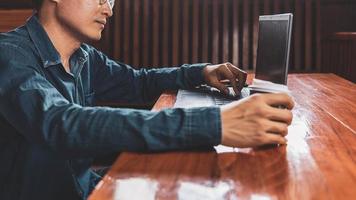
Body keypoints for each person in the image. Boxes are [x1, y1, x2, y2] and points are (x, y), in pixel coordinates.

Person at [0, 0, 294, 199]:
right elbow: (63, 123)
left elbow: (139, 82)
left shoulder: (84, 58)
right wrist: (215, 123)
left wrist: (202, 73)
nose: (109, 10)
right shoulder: (10, 55)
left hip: (86, 187)